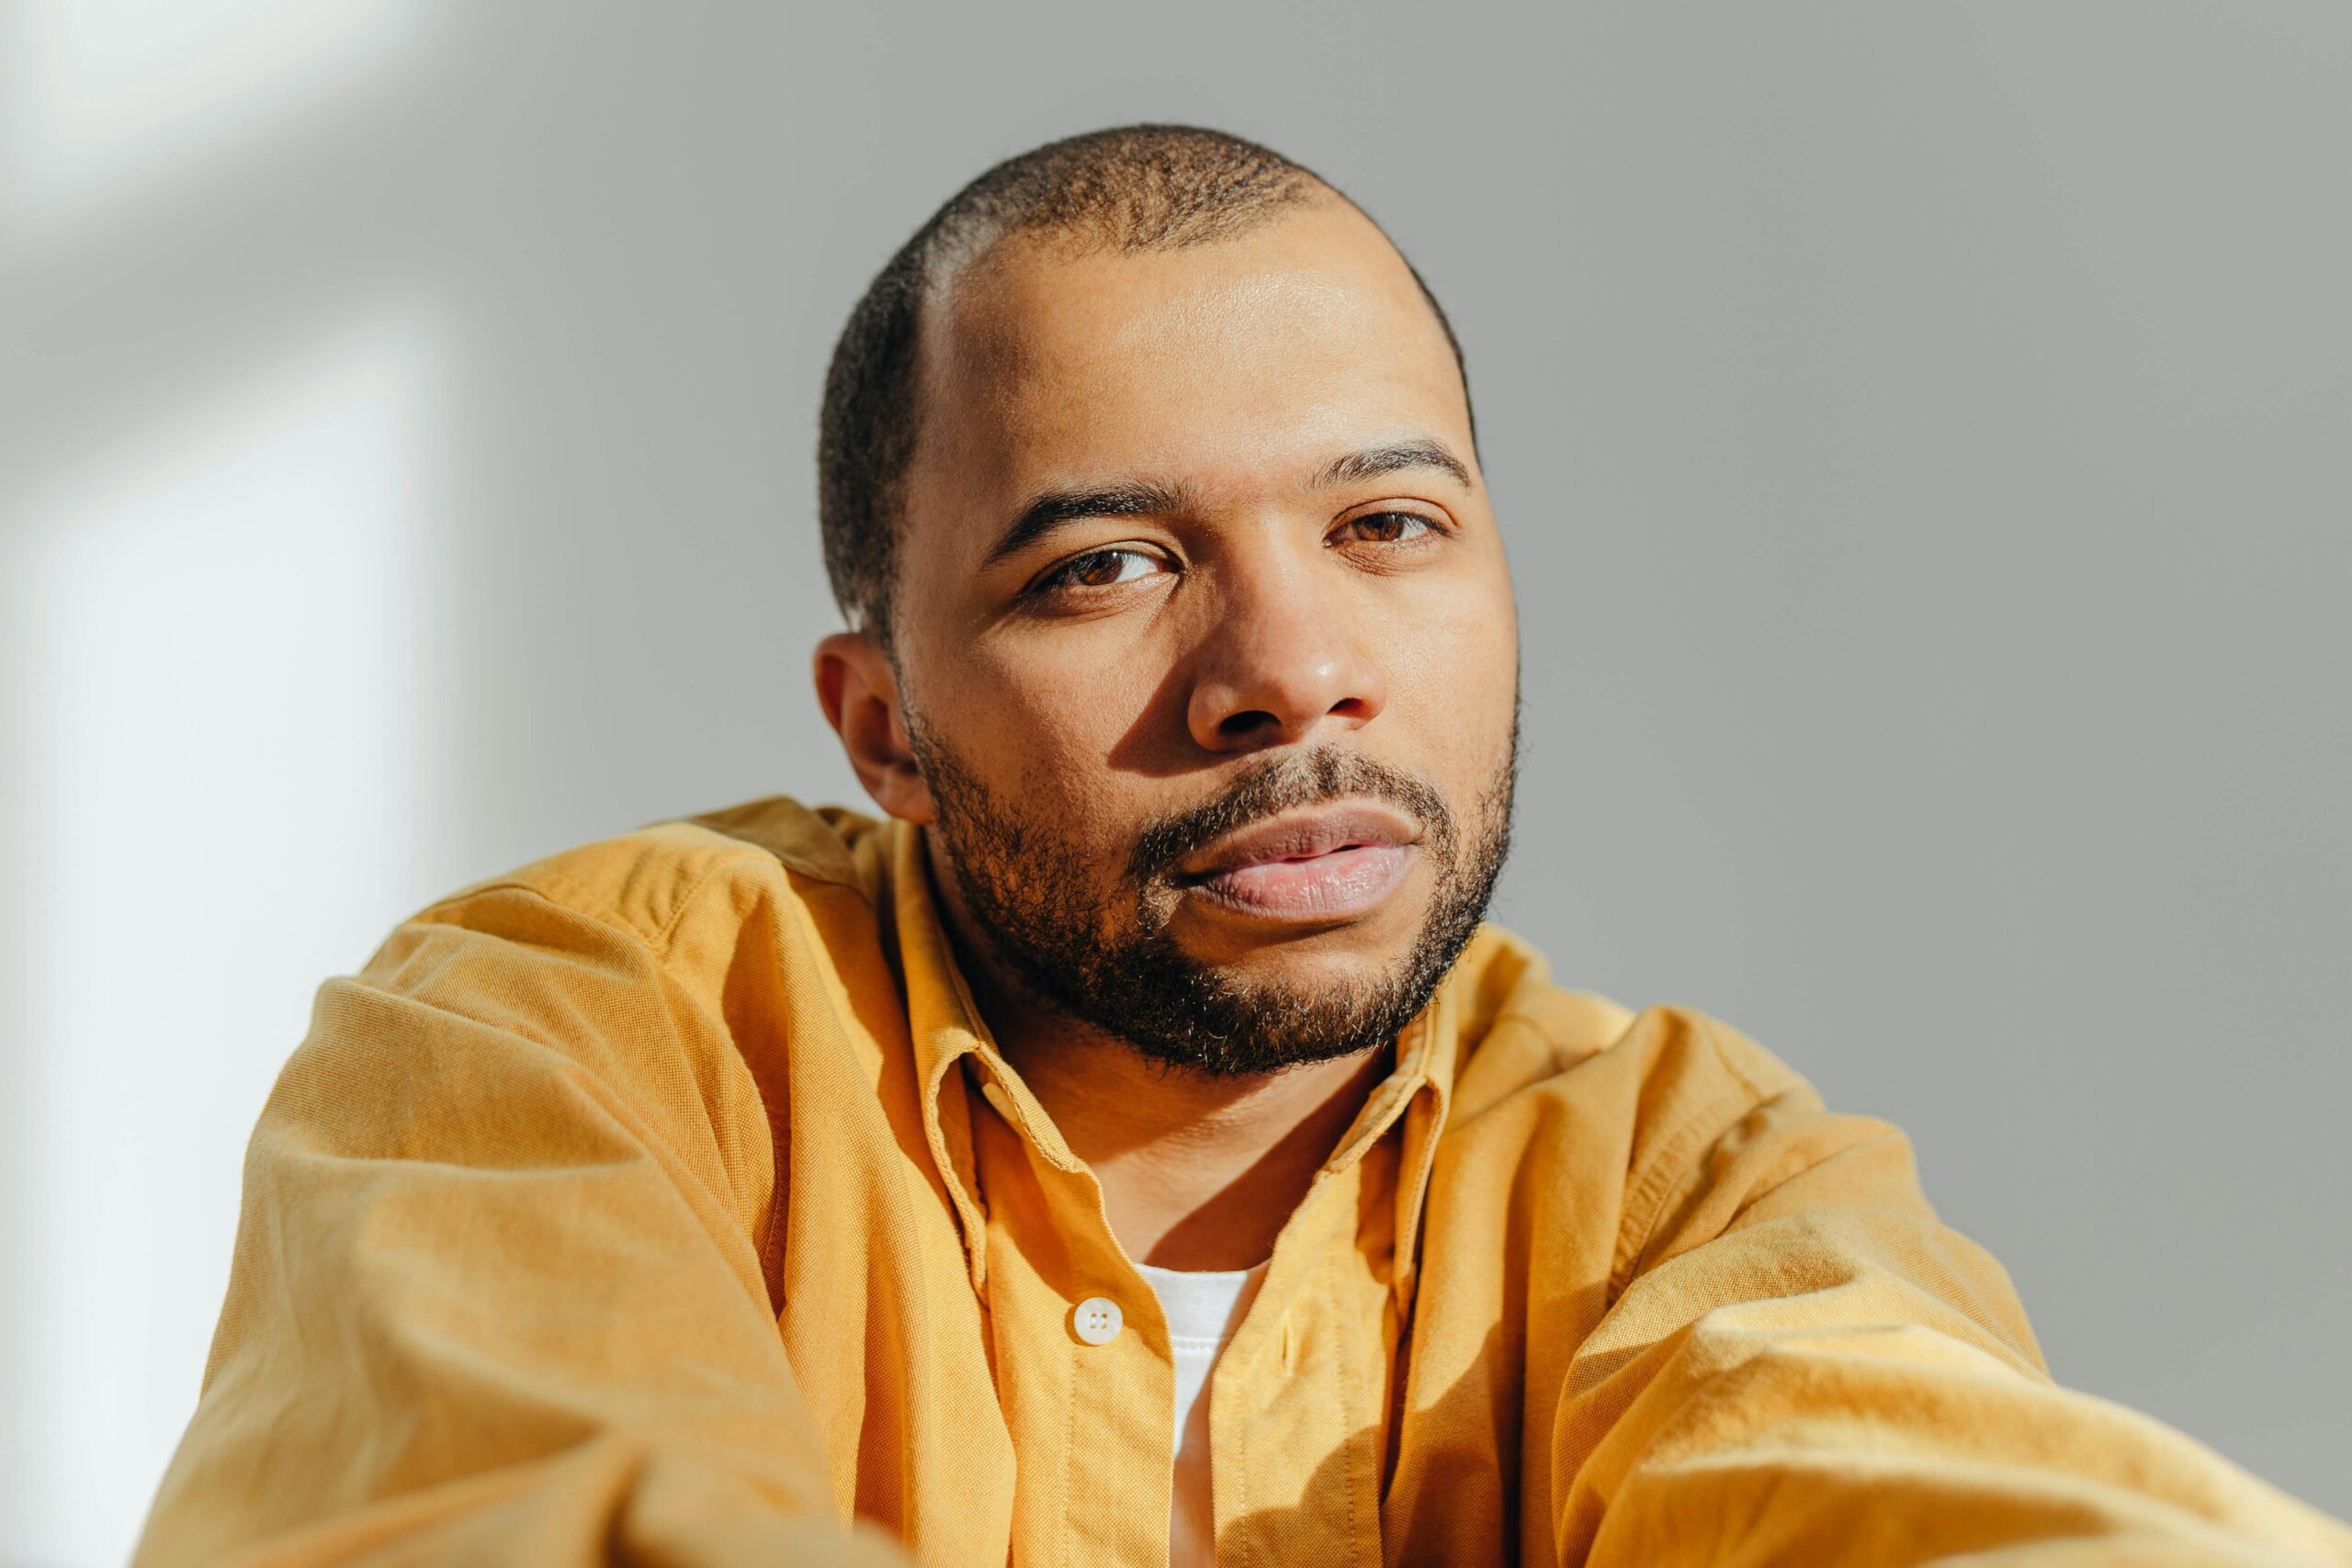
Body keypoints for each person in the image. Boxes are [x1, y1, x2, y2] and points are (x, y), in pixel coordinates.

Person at [134, 124, 2349, 1568]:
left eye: (1387, 525)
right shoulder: (576, 1035)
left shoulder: (1685, 1179)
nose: (1289, 669)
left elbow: (1955, 1501)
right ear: (882, 725)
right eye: (1103, 565)